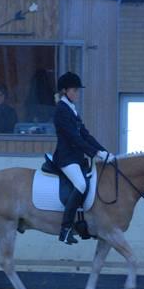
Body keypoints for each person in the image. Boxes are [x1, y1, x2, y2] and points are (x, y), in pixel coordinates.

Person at [52, 71, 114, 245]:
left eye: (78, 90)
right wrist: (95, 153)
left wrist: (104, 152)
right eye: (75, 90)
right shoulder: (61, 110)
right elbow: (74, 138)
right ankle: (65, 229)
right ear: (65, 91)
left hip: (77, 158)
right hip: (66, 158)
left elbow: (85, 135)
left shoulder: (72, 109)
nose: (77, 93)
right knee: (80, 184)